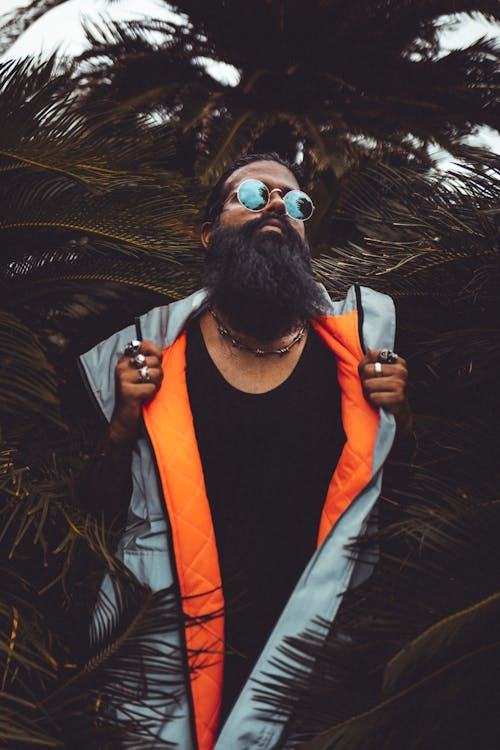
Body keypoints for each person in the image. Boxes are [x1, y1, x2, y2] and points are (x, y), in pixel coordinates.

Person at [80, 153, 412, 750]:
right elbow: (100, 506)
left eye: (296, 203)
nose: (279, 206)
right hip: (172, 650)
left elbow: (406, 496)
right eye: (255, 195)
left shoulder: (358, 358)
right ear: (211, 234)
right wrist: (122, 421)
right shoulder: (154, 355)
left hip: (311, 655)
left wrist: (400, 414)